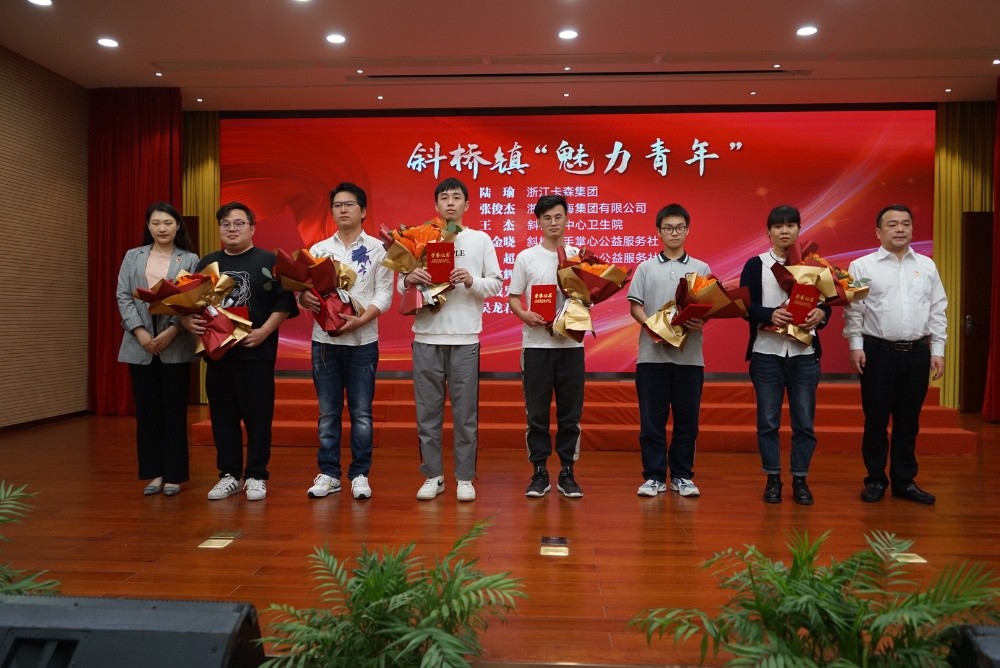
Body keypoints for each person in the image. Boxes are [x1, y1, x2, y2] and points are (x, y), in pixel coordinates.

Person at [184, 202, 298, 501]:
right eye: (225, 224)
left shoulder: (270, 261)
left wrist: (264, 332)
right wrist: (187, 321)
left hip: (256, 353)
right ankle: (229, 475)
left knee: (258, 418)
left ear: (252, 228)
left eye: (238, 223)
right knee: (222, 418)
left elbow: (284, 304)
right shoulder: (207, 263)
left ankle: (257, 475)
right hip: (218, 356)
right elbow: (188, 304)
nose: (231, 229)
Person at [400, 178, 502, 502]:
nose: (450, 203)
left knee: (465, 414)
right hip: (426, 337)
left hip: (465, 337)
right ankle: (433, 475)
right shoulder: (420, 237)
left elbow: (496, 284)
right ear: (436, 205)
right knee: (427, 413)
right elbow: (401, 285)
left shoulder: (480, 239)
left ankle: (465, 477)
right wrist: (409, 277)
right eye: (444, 198)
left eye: (456, 197)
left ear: (466, 205)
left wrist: (471, 280)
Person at [844, 204, 947, 505]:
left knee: (908, 421)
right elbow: (854, 310)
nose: (900, 229)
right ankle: (875, 479)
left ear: (912, 229)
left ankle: (904, 481)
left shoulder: (927, 266)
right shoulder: (861, 266)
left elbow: (937, 309)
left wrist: (938, 350)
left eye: (905, 223)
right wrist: (855, 345)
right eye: (892, 224)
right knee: (875, 420)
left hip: (917, 353)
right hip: (878, 352)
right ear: (878, 232)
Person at [302, 182, 393, 501]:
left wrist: (362, 319)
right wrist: (304, 299)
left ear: (363, 210)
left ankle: (359, 474)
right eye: (337, 205)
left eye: (349, 204)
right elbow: (307, 291)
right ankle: (329, 473)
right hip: (324, 341)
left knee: (361, 412)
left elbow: (385, 294)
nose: (343, 209)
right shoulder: (318, 251)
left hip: (362, 341)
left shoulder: (379, 250)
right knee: (328, 411)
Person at [739, 205, 830, 505]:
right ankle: (773, 479)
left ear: (799, 229)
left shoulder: (813, 265)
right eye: (778, 226)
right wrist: (769, 314)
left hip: (804, 353)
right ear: (769, 232)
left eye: (791, 225)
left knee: (804, 422)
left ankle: (800, 480)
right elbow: (745, 307)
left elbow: (828, 302)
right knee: (768, 422)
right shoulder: (756, 264)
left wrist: (821, 314)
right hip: (767, 353)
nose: (785, 231)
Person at [116, 202, 199, 497]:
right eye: (156, 223)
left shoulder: (190, 258)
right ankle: (154, 473)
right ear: (148, 226)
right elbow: (123, 295)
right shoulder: (133, 256)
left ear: (178, 226)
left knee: (174, 412)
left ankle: (174, 475)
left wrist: (172, 331)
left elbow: (192, 300)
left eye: (167, 223)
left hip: (174, 341)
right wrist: (139, 331)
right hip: (139, 344)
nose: (162, 228)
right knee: (147, 413)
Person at [627, 203, 710, 498]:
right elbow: (635, 305)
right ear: (658, 232)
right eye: (668, 228)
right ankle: (653, 476)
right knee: (652, 421)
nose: (674, 233)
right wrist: (652, 326)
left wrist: (701, 320)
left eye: (679, 228)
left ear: (687, 230)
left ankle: (682, 476)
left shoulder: (701, 268)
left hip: (690, 358)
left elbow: (707, 306)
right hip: (652, 356)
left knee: (687, 421)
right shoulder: (645, 268)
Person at [508, 194, 585, 499]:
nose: (553, 222)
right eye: (547, 218)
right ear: (538, 222)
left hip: (571, 349)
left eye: (558, 216)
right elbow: (514, 297)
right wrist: (525, 314)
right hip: (536, 347)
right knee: (536, 414)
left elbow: (590, 297)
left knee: (570, 415)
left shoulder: (578, 256)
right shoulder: (526, 257)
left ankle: (567, 472)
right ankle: (539, 471)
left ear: (566, 219)